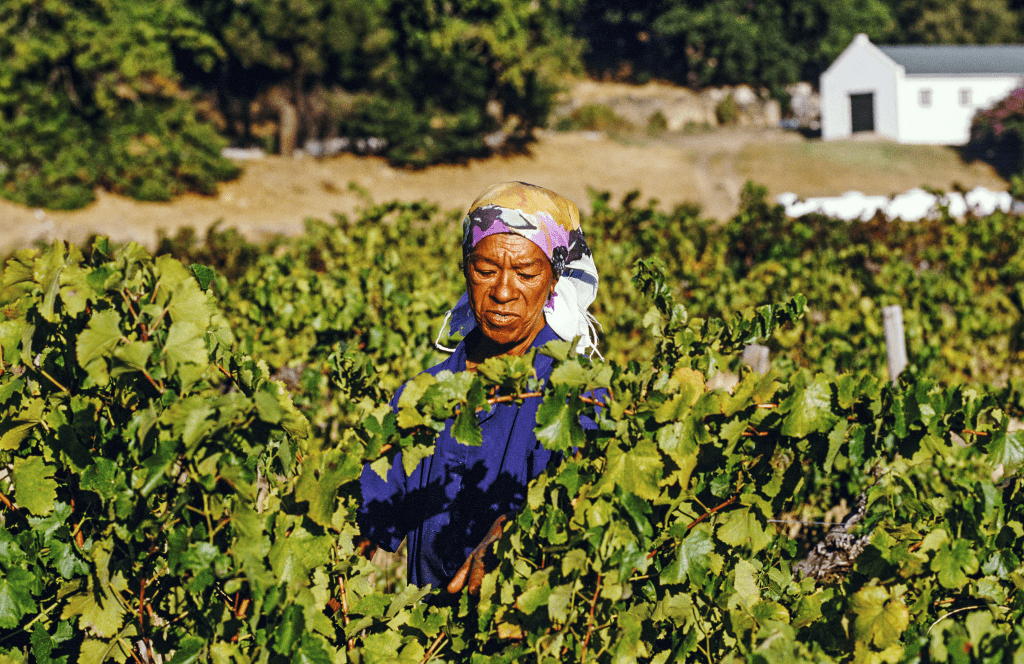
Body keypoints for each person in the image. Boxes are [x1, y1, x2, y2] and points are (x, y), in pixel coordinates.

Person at [357, 182, 601, 594]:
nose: (503, 292)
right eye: (485, 271)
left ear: (554, 280)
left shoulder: (576, 395)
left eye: (526, 273)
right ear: (465, 271)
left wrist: (507, 541)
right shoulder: (425, 393)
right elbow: (371, 518)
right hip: (430, 640)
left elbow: (575, 510)